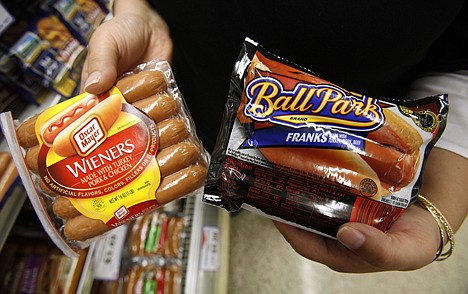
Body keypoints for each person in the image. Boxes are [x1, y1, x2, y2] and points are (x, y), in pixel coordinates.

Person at [82, 0, 468, 273]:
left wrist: (439, 208)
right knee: (226, 182)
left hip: (342, 158)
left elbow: (461, 64)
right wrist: (135, 10)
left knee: (246, 187)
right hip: (175, 96)